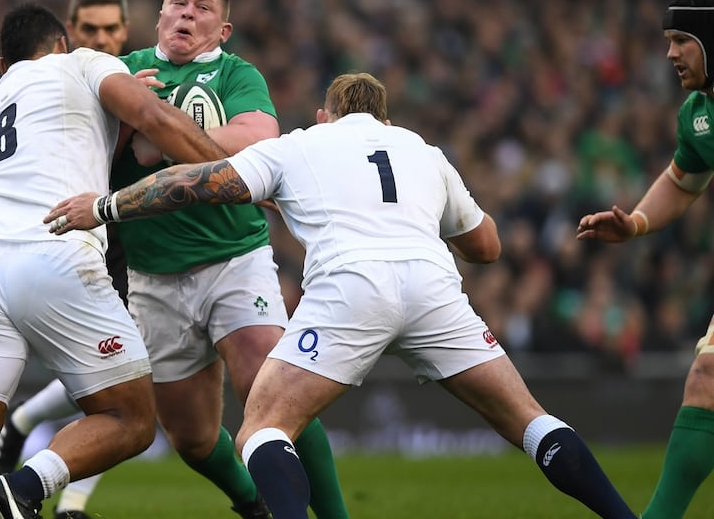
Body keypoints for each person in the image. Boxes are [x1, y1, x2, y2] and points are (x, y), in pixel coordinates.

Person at [46, 72, 638, 519]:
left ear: (325, 115)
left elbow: (200, 182)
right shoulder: (422, 151)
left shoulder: (304, 144)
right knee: (531, 422)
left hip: (352, 287)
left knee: (263, 428)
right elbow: (487, 247)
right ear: (383, 117)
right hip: (434, 287)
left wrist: (106, 206)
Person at [0, 0, 351, 519]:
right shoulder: (123, 70)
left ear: (223, 28)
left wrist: (155, 136)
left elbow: (258, 141)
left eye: (202, 7)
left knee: (270, 389)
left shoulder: (237, 74)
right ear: (158, 17)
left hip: (235, 259)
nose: (187, 13)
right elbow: (82, 150)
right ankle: (252, 502)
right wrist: (128, 131)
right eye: (177, 3)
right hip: (153, 276)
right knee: (192, 438)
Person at [0, 2, 227, 519]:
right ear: (61, 44)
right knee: (131, 418)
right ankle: (27, 486)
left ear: (2, 64)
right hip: (53, 251)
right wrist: (233, 172)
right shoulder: (84, 63)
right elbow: (152, 116)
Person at [0, 0, 134, 519]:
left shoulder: (128, 72)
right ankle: (65, 497)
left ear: (126, 30)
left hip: (131, 233)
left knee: (125, 380)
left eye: (111, 29)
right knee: (128, 387)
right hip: (82, 237)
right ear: (68, 36)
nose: (102, 38)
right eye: (89, 29)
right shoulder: (65, 77)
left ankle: (27, 431)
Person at [577, 0, 714, 519]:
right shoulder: (700, 114)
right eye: (667, 40)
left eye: (682, 39)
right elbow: (683, 181)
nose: (670, 53)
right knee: (705, 381)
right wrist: (635, 222)